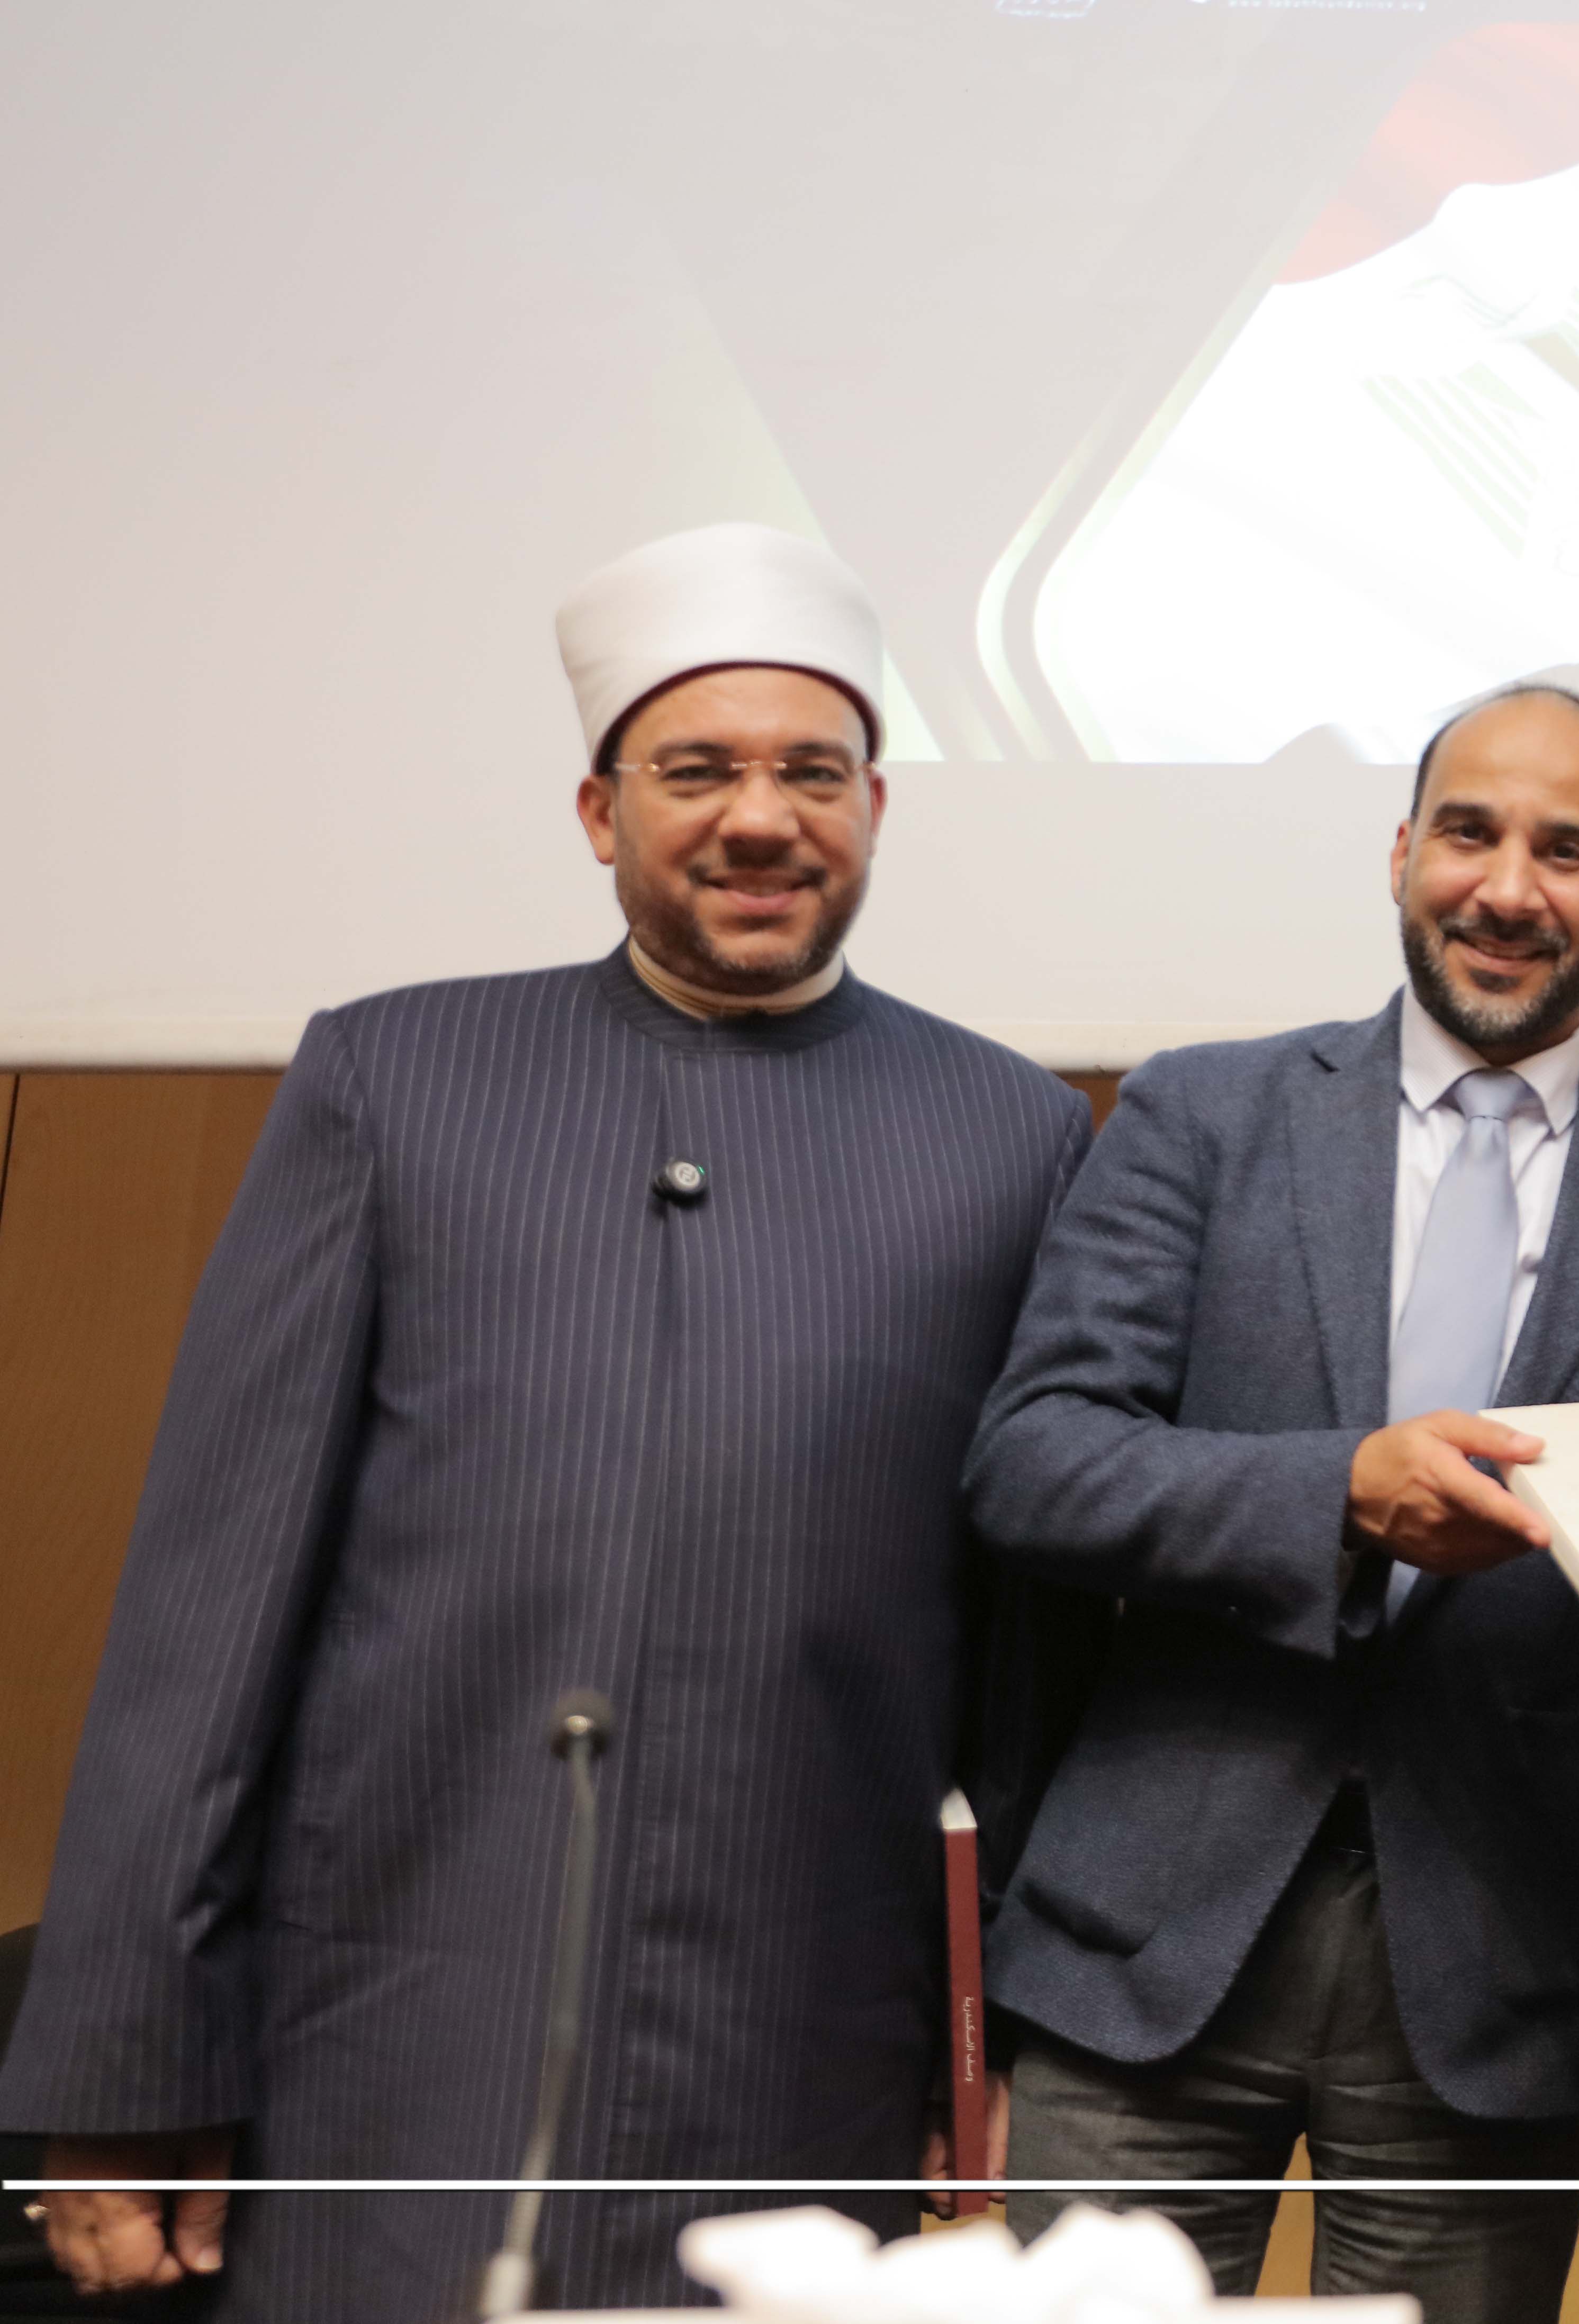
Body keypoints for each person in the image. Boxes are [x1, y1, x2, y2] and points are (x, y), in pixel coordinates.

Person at [0, 523, 1093, 2316]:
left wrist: (977, 2058)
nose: (761, 819)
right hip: (391, 2039)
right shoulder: (394, 1079)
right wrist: (124, 2071)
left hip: (800, 2044)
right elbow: (207, 1618)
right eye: (698, 771)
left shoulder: (1008, 1136)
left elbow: (1024, 1670)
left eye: (812, 773)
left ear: (877, 808)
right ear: (600, 811)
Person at [966, 683, 1579, 2316]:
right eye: (1468, 834)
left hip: (1497, 1970)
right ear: (1402, 852)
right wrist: (1336, 1495)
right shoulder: (1204, 1117)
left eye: (1566, 850)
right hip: (1145, 1943)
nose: (1507, 887)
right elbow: (1036, 1460)